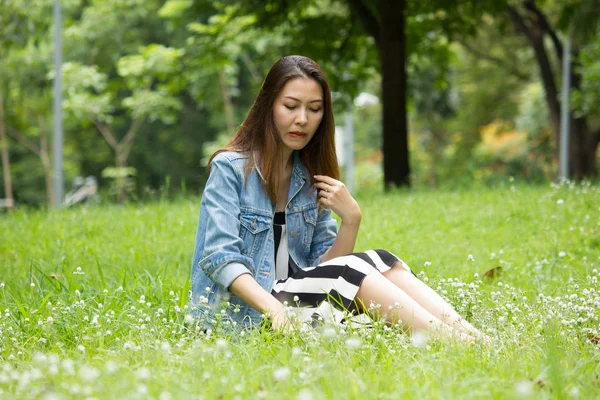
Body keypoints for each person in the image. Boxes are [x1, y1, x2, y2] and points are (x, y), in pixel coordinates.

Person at [190, 55, 489, 343]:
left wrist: (351, 221)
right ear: (269, 106)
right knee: (355, 273)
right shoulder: (230, 169)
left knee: (383, 260)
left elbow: (327, 268)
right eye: (291, 106)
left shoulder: (309, 176)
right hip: (246, 318)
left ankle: (474, 339)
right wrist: (276, 310)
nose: (302, 119)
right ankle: (452, 342)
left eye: (315, 109)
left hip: (296, 306)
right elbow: (220, 258)